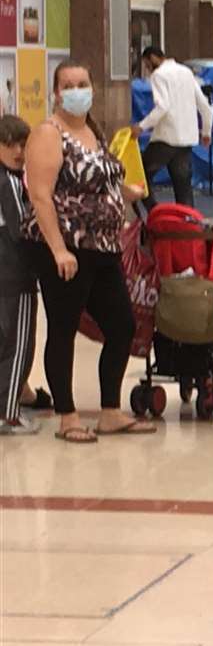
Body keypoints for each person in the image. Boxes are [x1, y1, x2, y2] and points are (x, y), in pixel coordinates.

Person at [24, 61, 154, 443]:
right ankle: (67, 416)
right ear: (56, 92)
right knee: (63, 328)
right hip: (66, 248)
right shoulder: (49, 134)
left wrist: (125, 193)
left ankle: (110, 412)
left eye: (83, 83)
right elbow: (40, 196)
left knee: (121, 325)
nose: (77, 90)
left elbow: (97, 181)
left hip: (103, 249)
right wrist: (59, 249)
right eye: (68, 85)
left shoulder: (92, 130)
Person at [0, 115, 40, 435]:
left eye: (22, 144)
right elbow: (23, 229)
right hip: (16, 276)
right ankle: (8, 413)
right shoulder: (11, 182)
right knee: (18, 347)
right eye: (9, 144)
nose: (17, 151)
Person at [137, 46, 213, 210]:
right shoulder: (186, 72)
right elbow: (205, 106)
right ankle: (188, 226)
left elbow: (162, 107)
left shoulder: (158, 75)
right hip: (186, 141)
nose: (147, 69)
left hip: (165, 139)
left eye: (147, 64)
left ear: (153, 58)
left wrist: (141, 127)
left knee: (140, 179)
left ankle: (156, 213)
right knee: (183, 188)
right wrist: (206, 132)